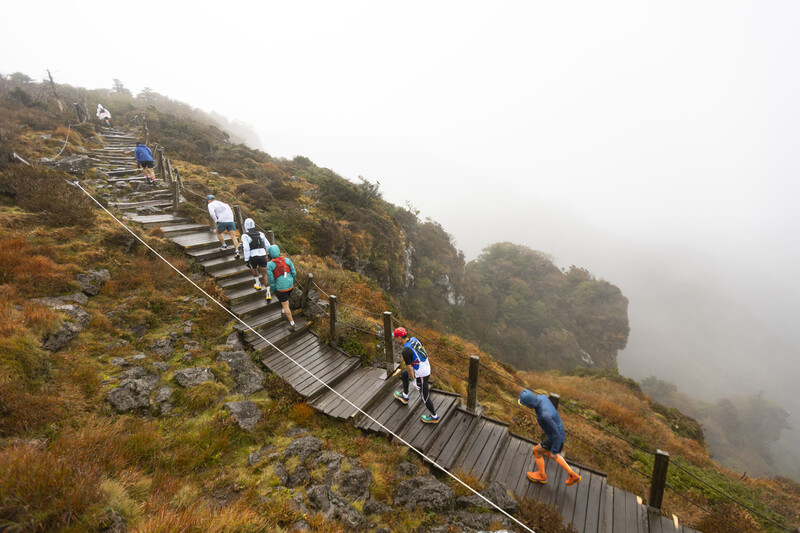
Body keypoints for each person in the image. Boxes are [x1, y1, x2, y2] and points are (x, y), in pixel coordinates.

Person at [518, 389, 581, 486]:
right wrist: (544, 426)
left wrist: (555, 450)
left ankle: (542, 476)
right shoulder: (541, 397)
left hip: (556, 438)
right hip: (557, 433)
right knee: (548, 453)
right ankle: (573, 475)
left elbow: (556, 434)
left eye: (525, 405)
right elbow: (550, 413)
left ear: (529, 404)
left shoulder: (545, 416)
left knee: (537, 451)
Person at [393, 327, 440, 424]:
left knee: (424, 396)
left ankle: (434, 417)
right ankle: (405, 396)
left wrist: (414, 380)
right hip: (423, 365)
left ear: (400, 338)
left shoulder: (406, 351)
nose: (395, 339)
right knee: (404, 374)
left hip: (421, 372)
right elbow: (422, 349)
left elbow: (409, 368)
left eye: (396, 337)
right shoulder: (414, 339)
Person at [267, 244, 296, 331]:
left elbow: (271, 279)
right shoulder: (287, 260)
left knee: (285, 304)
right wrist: (292, 281)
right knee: (286, 300)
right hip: (290, 285)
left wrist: (273, 289)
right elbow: (294, 272)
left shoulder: (270, 264)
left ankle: (292, 323)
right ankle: (284, 311)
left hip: (281, 288)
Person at [241, 218, 271, 300]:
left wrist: (246, 259)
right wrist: (269, 253)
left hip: (252, 256)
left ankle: (257, 283)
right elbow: (267, 244)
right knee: (265, 274)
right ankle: (268, 293)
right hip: (262, 255)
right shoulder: (261, 234)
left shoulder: (245, 236)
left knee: (253, 268)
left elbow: (246, 248)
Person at [206, 195, 240, 259]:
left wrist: (216, 221)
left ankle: (224, 245)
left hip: (222, 221)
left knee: (218, 232)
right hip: (231, 220)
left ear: (208, 200)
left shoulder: (210, 204)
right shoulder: (222, 203)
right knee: (233, 236)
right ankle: (237, 251)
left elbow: (212, 214)